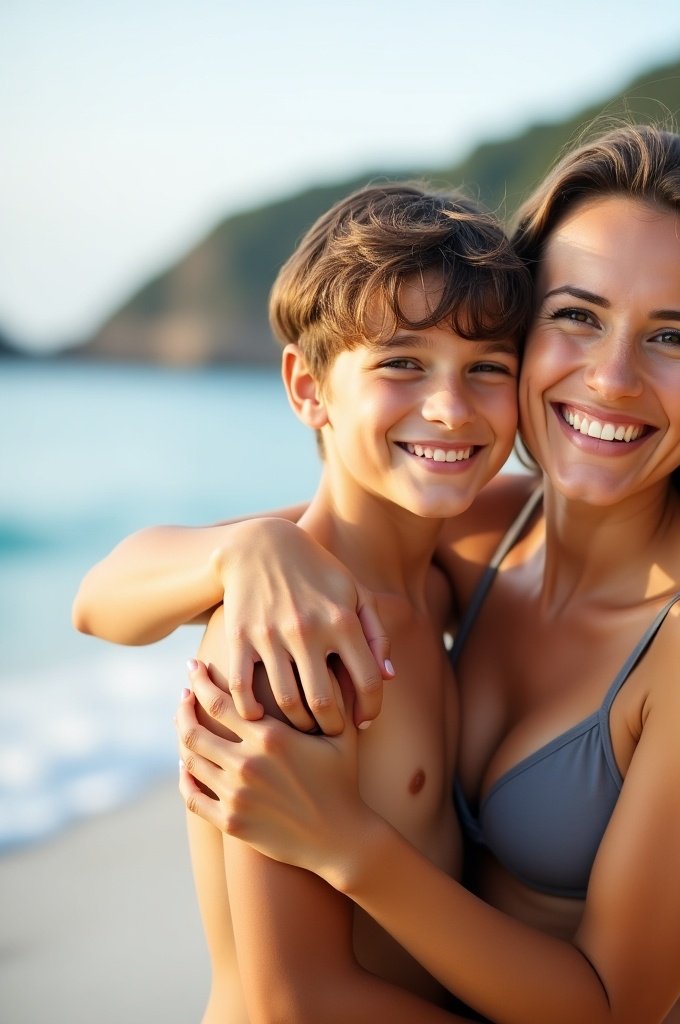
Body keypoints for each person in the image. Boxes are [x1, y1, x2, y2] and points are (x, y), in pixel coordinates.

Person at [79, 122, 680, 1022]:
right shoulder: (459, 536)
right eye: (578, 316)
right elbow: (107, 593)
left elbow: (605, 1006)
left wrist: (351, 845)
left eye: (671, 338)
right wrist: (245, 550)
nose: (614, 378)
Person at [77, 181, 533, 1021]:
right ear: (308, 387)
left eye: (487, 368)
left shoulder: (436, 578)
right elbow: (302, 1002)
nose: (450, 406)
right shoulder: (294, 635)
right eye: (402, 362)